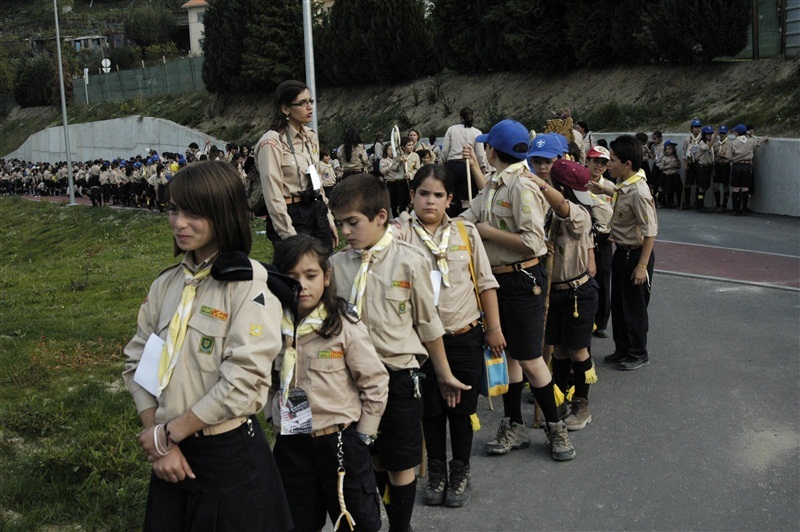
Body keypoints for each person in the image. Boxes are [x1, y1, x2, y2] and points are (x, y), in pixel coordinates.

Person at [122, 161, 293, 530]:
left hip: (228, 460)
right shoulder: (166, 285)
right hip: (171, 457)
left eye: (194, 213)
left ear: (223, 215)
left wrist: (169, 436)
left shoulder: (250, 288)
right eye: (173, 210)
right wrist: (158, 437)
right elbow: (138, 361)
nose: (179, 223)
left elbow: (243, 380)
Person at [328, 174, 469, 532]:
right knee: (370, 454)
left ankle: (401, 526)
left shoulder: (409, 261)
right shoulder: (337, 265)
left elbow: (428, 324)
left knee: (401, 459)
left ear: (380, 217)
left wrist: (444, 373)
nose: (346, 231)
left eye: (353, 222)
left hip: (398, 376)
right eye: (340, 223)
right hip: (353, 380)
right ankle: (378, 514)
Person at [461, 119, 576, 461]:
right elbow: (469, 216)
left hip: (523, 280)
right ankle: (514, 424)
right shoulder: (496, 183)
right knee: (509, 355)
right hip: (498, 281)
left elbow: (532, 242)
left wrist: (486, 232)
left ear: (492, 151)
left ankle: (556, 428)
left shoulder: (522, 185)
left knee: (530, 358)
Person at [393, 164, 505, 508]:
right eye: (423, 194)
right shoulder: (399, 235)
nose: (430, 201)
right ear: (411, 195)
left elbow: (484, 283)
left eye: (438, 195)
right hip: (421, 343)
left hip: (465, 334)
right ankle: (437, 470)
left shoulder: (465, 232)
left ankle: (461, 469)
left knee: (461, 409)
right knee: (430, 408)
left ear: (450, 199)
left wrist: (495, 328)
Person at [271, 234, 389, 532]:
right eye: (292, 277)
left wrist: (363, 435)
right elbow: (266, 380)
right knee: (295, 522)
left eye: (311, 276)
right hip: (292, 443)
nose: (302, 285)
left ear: (326, 277)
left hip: (339, 443)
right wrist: (272, 415)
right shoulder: (272, 326)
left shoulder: (343, 324)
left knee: (355, 521)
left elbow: (374, 380)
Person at [527, 159, 599, 430]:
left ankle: (581, 404)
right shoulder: (547, 211)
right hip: (553, 292)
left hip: (577, 292)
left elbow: (564, 209)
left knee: (577, 350)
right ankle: (557, 399)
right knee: (557, 350)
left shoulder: (579, 212)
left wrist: (542, 184)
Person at [588, 135, 658, 371]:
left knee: (634, 307)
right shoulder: (626, 183)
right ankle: (622, 349)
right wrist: (602, 187)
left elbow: (650, 232)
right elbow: (617, 190)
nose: (609, 165)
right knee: (618, 304)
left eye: (613, 161)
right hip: (622, 252)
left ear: (628, 164)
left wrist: (642, 266)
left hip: (636, 255)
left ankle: (638, 352)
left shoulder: (639, 191)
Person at [254, 80, 338, 251]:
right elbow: (273, 195)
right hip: (292, 214)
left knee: (324, 269)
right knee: (297, 271)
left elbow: (316, 181)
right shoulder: (272, 142)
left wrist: (328, 217)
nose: (309, 107)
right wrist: (288, 235)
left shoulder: (311, 137)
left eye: (310, 101)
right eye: (302, 103)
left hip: (316, 209)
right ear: (285, 108)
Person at [585, 146, 614, 338]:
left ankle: (601, 322)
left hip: (603, 238)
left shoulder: (610, 187)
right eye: (596, 161)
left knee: (603, 281)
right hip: (584, 238)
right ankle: (585, 319)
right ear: (587, 161)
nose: (599, 166)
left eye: (603, 163)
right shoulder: (578, 183)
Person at [442, 107, 488, 217]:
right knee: (467, 197)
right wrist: (482, 168)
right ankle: (466, 220)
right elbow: (480, 153)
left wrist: (444, 162)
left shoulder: (452, 129)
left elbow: (445, 150)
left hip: (452, 166)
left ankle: (450, 219)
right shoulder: (477, 132)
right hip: (469, 166)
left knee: (451, 194)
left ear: (460, 117)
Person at [730, 123, 768, 216]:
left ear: (737, 133)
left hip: (736, 165)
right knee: (745, 187)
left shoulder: (733, 143)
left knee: (736, 187)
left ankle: (736, 209)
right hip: (747, 165)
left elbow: (729, 156)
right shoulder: (750, 141)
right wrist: (751, 135)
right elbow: (757, 142)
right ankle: (745, 209)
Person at [385, 136, 420, 217]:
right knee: (401, 204)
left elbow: (417, 169)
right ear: (403, 147)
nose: (411, 147)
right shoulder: (397, 156)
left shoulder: (415, 156)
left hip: (411, 182)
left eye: (412, 145)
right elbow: (392, 168)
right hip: (400, 183)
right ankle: (402, 219)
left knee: (412, 202)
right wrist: (399, 162)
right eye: (409, 145)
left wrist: (410, 175)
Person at [695, 126, 718, 211]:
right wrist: (714, 138)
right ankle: (700, 204)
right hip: (702, 167)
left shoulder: (710, 142)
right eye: (708, 134)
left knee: (706, 186)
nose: (709, 136)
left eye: (711, 134)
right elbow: (707, 147)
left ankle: (699, 202)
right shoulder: (701, 143)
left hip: (709, 166)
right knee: (702, 187)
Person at [682, 118, 703, 209]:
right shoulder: (688, 139)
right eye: (695, 127)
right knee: (688, 183)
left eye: (699, 127)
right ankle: (687, 202)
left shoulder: (702, 138)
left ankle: (697, 202)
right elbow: (684, 152)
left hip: (699, 162)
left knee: (699, 183)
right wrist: (685, 163)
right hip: (690, 162)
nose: (697, 129)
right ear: (692, 128)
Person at [712, 125, 732, 212]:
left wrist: (723, 156)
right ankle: (717, 204)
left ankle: (724, 205)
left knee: (725, 185)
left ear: (726, 133)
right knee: (715, 185)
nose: (722, 135)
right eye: (721, 133)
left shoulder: (730, 144)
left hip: (725, 165)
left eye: (723, 133)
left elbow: (730, 157)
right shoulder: (716, 144)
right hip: (718, 165)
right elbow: (713, 156)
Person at [656, 140, 682, 208]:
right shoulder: (664, 158)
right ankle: (668, 202)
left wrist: (677, 164)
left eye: (670, 149)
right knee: (669, 190)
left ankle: (679, 203)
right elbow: (661, 167)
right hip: (668, 175)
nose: (668, 151)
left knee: (678, 189)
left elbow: (679, 166)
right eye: (667, 149)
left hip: (675, 174)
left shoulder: (676, 157)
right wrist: (668, 166)